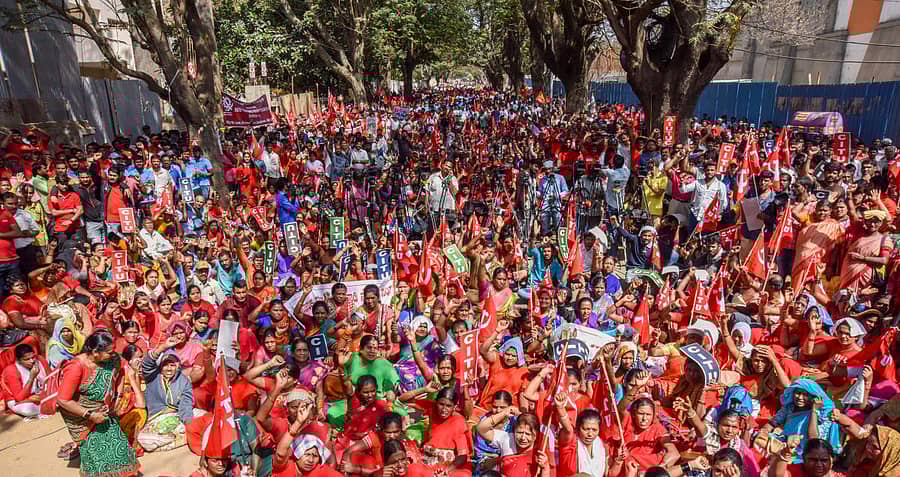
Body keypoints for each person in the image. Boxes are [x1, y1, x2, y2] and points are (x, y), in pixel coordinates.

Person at [56, 331, 139, 477]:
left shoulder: (111, 360)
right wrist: (90, 415)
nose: (112, 354)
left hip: (105, 412)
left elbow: (120, 373)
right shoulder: (76, 367)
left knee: (119, 448)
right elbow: (63, 400)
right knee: (98, 456)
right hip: (83, 418)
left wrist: (117, 397)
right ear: (95, 352)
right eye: (108, 352)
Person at [137, 335, 195, 452]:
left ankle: (177, 439)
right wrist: (163, 347)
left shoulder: (184, 381)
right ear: (160, 366)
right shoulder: (153, 376)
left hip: (177, 418)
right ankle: (179, 440)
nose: (169, 369)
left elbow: (186, 405)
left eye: (172, 365)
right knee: (143, 439)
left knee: (201, 416)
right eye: (165, 365)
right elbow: (147, 364)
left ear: (178, 366)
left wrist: (189, 425)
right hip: (157, 420)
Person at [1, 342, 48, 418]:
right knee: (28, 410)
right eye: (27, 359)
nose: (32, 361)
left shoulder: (39, 359)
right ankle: (48, 406)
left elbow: (51, 378)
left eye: (33, 357)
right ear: (18, 360)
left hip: (42, 393)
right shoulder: (11, 371)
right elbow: (19, 398)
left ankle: (48, 404)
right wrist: (31, 378)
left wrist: (45, 394)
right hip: (20, 401)